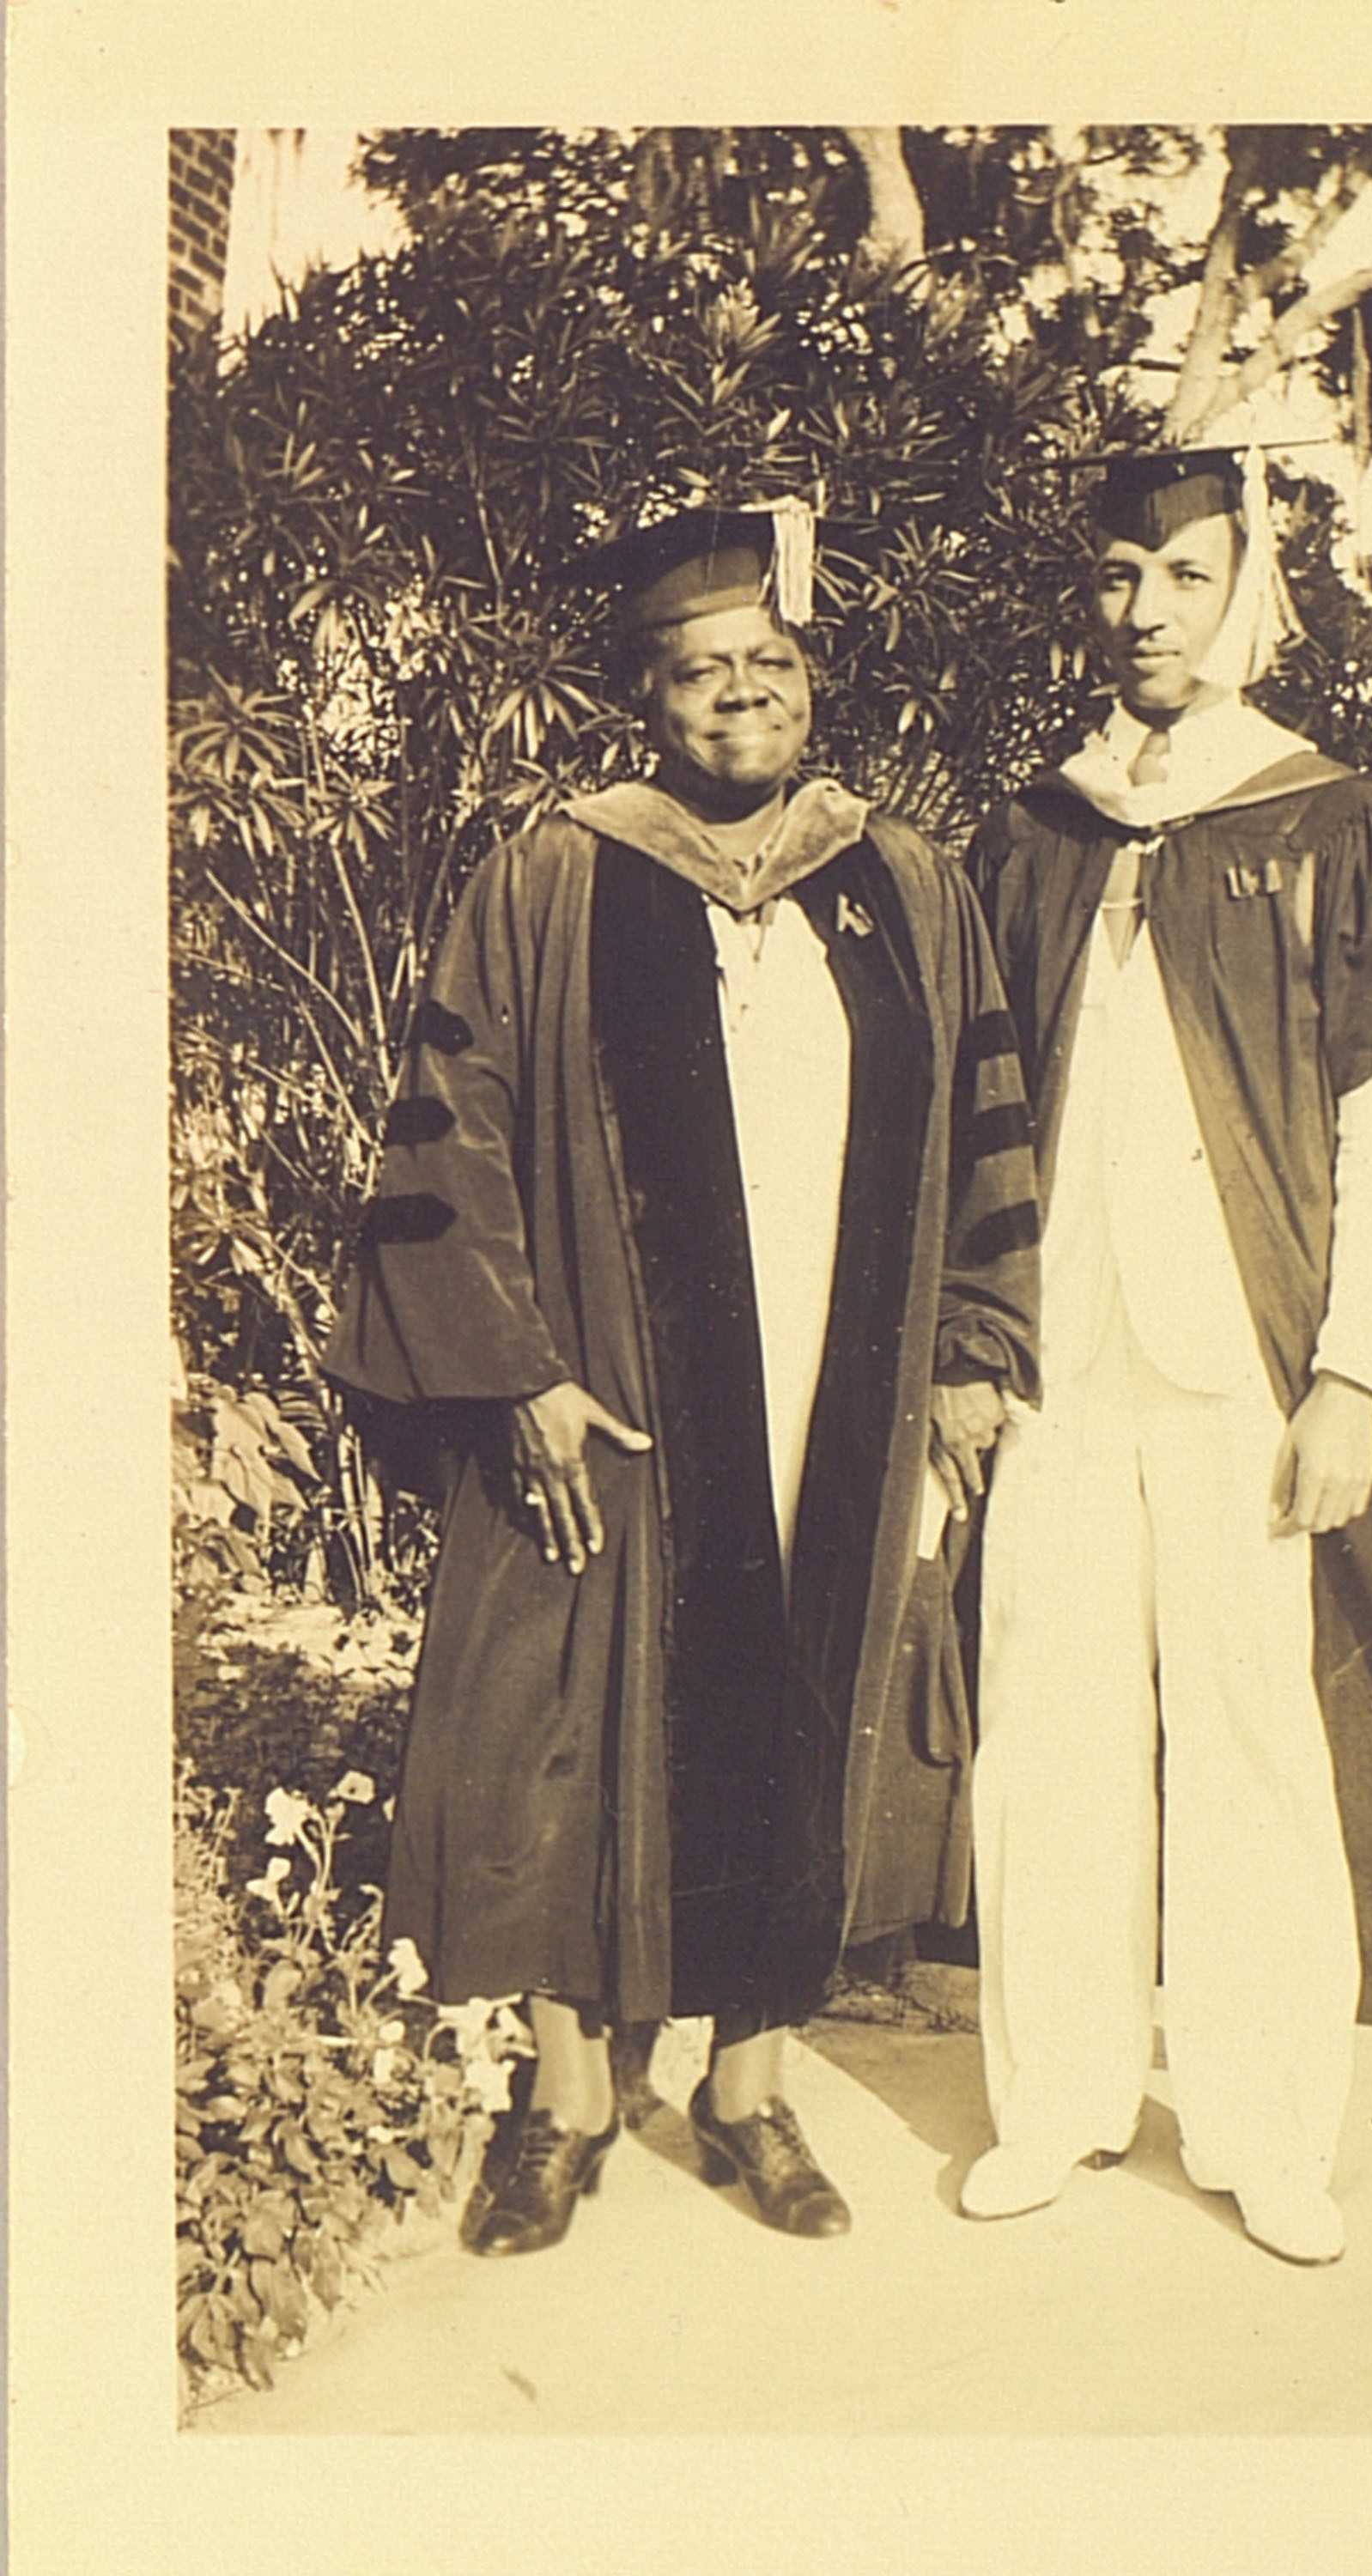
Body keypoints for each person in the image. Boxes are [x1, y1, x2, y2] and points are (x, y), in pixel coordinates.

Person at [326, 501, 1038, 2255]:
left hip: (836, 1402)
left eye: (767, 667)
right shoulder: (559, 873)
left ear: (813, 683)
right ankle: (567, 2104)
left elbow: (991, 1144)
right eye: (698, 671)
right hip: (609, 1395)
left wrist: (966, 1354)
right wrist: (517, 1382)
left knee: (802, 1704)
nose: (736, 699)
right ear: (648, 695)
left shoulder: (912, 886)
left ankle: (750, 2090)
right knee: (556, 1719)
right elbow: (452, 1136)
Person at [959, 446, 1372, 2260]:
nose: (1146, 613)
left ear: (1247, 587)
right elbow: (972, 1102)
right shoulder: (1036, 826)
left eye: (1184, 576)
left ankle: (1266, 2127)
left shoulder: (1325, 816)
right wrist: (973, 1335)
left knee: (1259, 1733)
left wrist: (1355, 1371)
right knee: (1050, 1722)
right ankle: (1059, 2100)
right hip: (1058, 1355)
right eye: (1117, 576)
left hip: (1246, 1361)